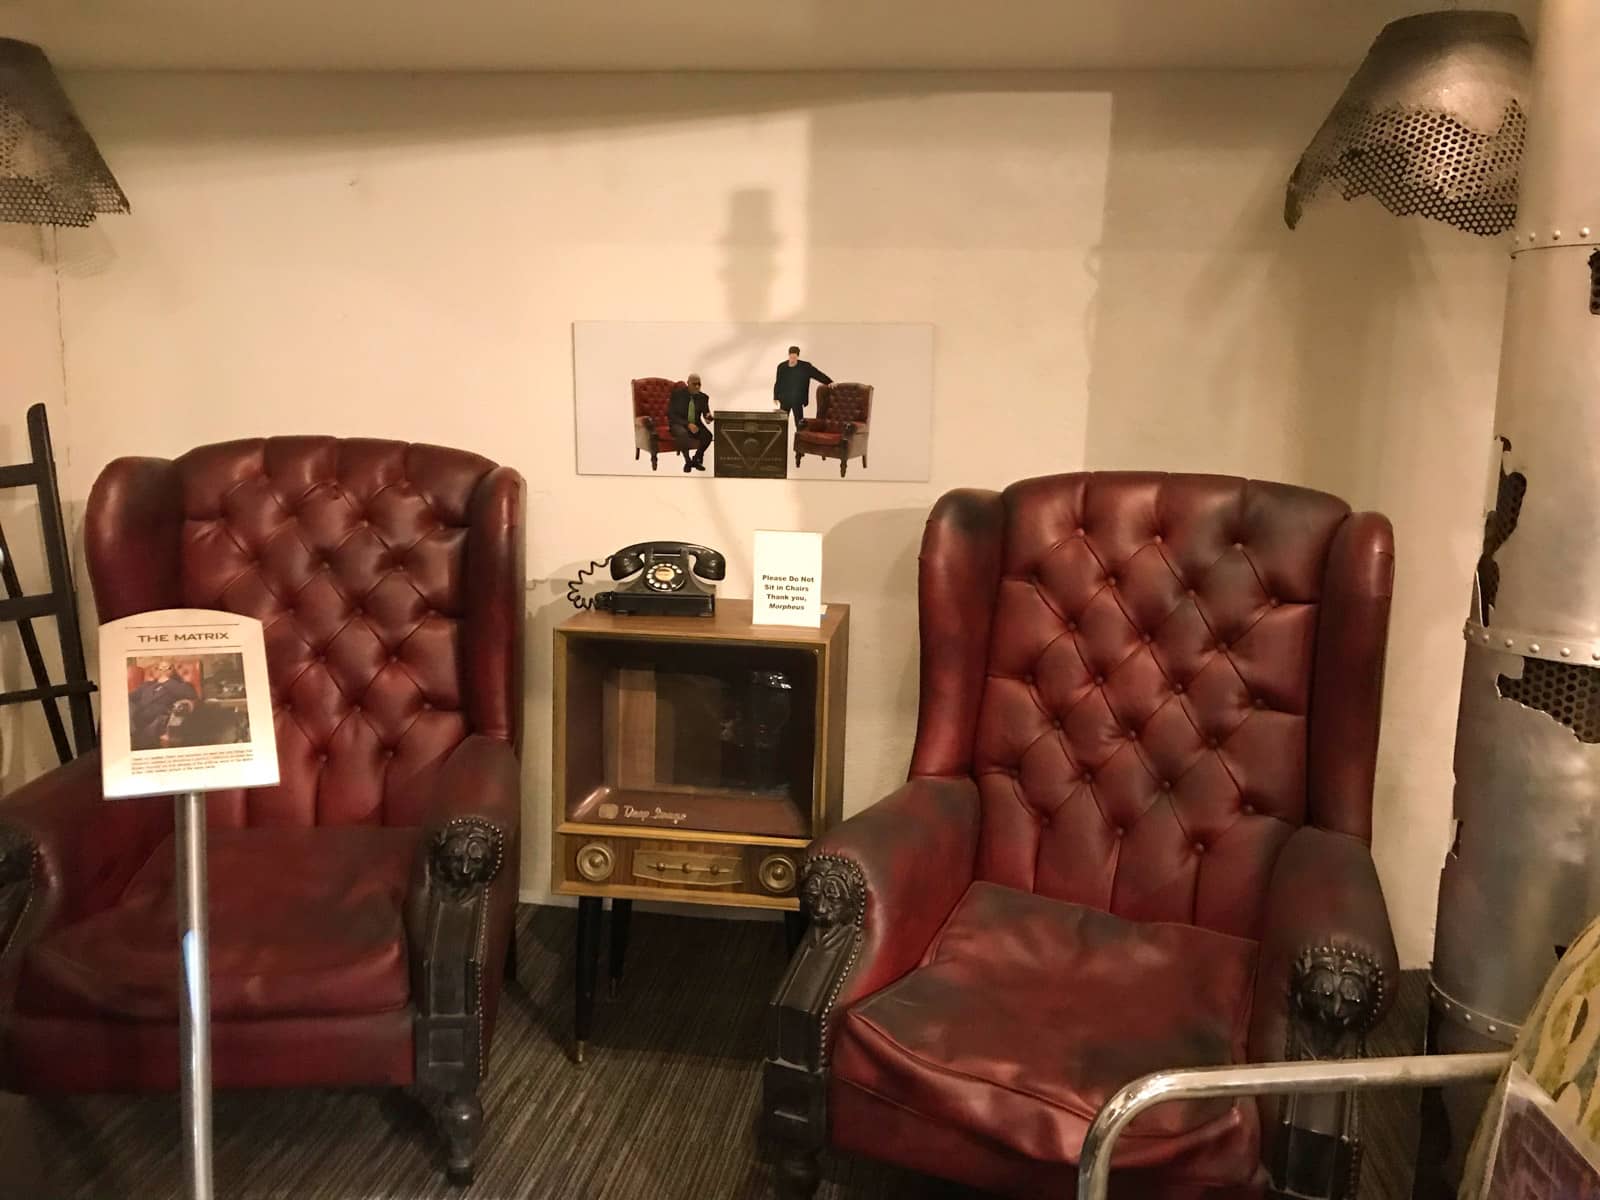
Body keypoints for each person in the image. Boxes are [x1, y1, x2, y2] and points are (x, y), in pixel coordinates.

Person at [128, 660, 199, 751]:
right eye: (160, 668)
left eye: (167, 668)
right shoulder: (146, 685)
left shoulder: (180, 685)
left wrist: (167, 681)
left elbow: (191, 695)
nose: (163, 671)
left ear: (173, 671)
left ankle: (131, 735)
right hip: (136, 719)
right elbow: (128, 698)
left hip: (157, 721)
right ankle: (130, 733)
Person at [773, 345, 831, 429]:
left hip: (798, 399)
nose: (792, 359)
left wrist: (828, 381)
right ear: (788, 355)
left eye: (794, 357)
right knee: (783, 423)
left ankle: (799, 440)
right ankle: (782, 441)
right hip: (785, 399)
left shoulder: (805, 366)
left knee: (799, 423)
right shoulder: (782, 367)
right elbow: (778, 382)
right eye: (791, 357)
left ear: (798, 356)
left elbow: (817, 374)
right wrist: (775, 396)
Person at [668, 373, 714, 472]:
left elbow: (706, 413)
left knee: (708, 436)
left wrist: (708, 417)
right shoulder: (677, 394)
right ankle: (688, 462)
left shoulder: (703, 397)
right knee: (682, 433)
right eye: (694, 384)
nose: (697, 386)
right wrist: (687, 424)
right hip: (679, 424)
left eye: (699, 384)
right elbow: (672, 414)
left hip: (695, 424)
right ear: (688, 383)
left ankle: (696, 459)